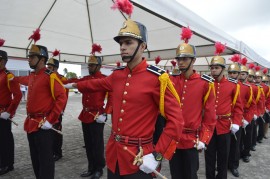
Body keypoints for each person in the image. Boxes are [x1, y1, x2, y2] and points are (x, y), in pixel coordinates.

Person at [65, 1, 184, 178]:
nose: (122, 47)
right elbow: (96, 84)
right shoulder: (117, 75)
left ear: (142, 46)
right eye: (121, 43)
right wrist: (75, 85)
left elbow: (176, 122)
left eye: (128, 42)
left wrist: (157, 155)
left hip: (140, 157)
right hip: (115, 153)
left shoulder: (158, 78)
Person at [13, 30, 67, 179]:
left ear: (42, 59)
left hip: (44, 125)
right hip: (31, 124)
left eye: (32, 57)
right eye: (29, 56)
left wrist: (51, 120)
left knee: (46, 162)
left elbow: (61, 97)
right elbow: (22, 80)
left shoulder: (49, 76)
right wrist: (12, 78)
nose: (29, 59)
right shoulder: (32, 76)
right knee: (35, 160)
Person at [169, 27, 216, 179]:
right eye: (179, 59)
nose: (181, 62)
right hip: (173, 138)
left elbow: (210, 116)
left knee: (190, 175)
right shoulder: (171, 81)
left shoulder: (205, 84)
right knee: (175, 174)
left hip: (191, 140)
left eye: (185, 59)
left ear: (194, 60)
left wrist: (204, 139)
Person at [64, 44, 112, 179]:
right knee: (89, 144)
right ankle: (91, 167)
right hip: (85, 114)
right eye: (89, 65)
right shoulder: (85, 79)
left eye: (91, 65)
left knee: (97, 144)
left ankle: (99, 168)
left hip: (97, 115)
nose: (89, 68)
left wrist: (105, 113)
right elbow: (75, 81)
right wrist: (58, 79)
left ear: (98, 66)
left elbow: (112, 96)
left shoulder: (104, 78)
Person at [204, 42, 243, 179]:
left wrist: (236, 122)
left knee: (223, 157)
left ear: (222, 69)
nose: (213, 70)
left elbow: (238, 107)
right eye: (212, 68)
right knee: (209, 157)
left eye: (216, 68)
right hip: (209, 126)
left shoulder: (232, 85)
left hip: (224, 126)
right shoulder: (207, 84)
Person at [227, 55, 255, 177]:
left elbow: (252, 105)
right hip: (225, 119)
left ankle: (234, 165)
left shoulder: (246, 88)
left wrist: (247, 119)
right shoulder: (225, 85)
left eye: (235, 73)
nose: (232, 75)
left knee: (235, 145)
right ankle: (224, 164)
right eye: (230, 72)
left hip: (238, 119)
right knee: (224, 146)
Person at [0, 47, 22, 176]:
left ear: (3, 61)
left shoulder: (9, 76)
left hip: (4, 114)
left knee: (5, 139)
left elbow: (18, 95)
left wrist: (9, 112)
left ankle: (7, 164)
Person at [46, 51, 69, 162]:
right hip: (48, 110)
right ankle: (50, 151)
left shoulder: (62, 79)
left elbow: (65, 96)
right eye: (47, 66)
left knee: (56, 131)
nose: (48, 68)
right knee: (49, 132)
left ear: (55, 68)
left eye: (50, 67)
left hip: (57, 110)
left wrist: (61, 110)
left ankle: (57, 152)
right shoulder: (47, 77)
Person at [238, 59, 256, 164]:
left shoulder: (250, 87)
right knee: (237, 139)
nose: (241, 76)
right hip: (237, 115)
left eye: (243, 74)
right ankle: (238, 154)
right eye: (239, 73)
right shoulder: (235, 85)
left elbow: (253, 104)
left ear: (247, 75)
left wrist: (248, 118)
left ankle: (246, 153)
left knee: (247, 136)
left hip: (247, 114)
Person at [254, 66, 266, 144]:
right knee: (254, 127)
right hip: (254, 110)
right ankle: (254, 140)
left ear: (261, 79)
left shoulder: (265, 87)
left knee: (261, 125)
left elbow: (265, 100)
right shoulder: (252, 86)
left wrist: (263, 110)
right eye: (256, 78)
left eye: (259, 78)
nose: (257, 79)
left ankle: (260, 137)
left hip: (262, 108)